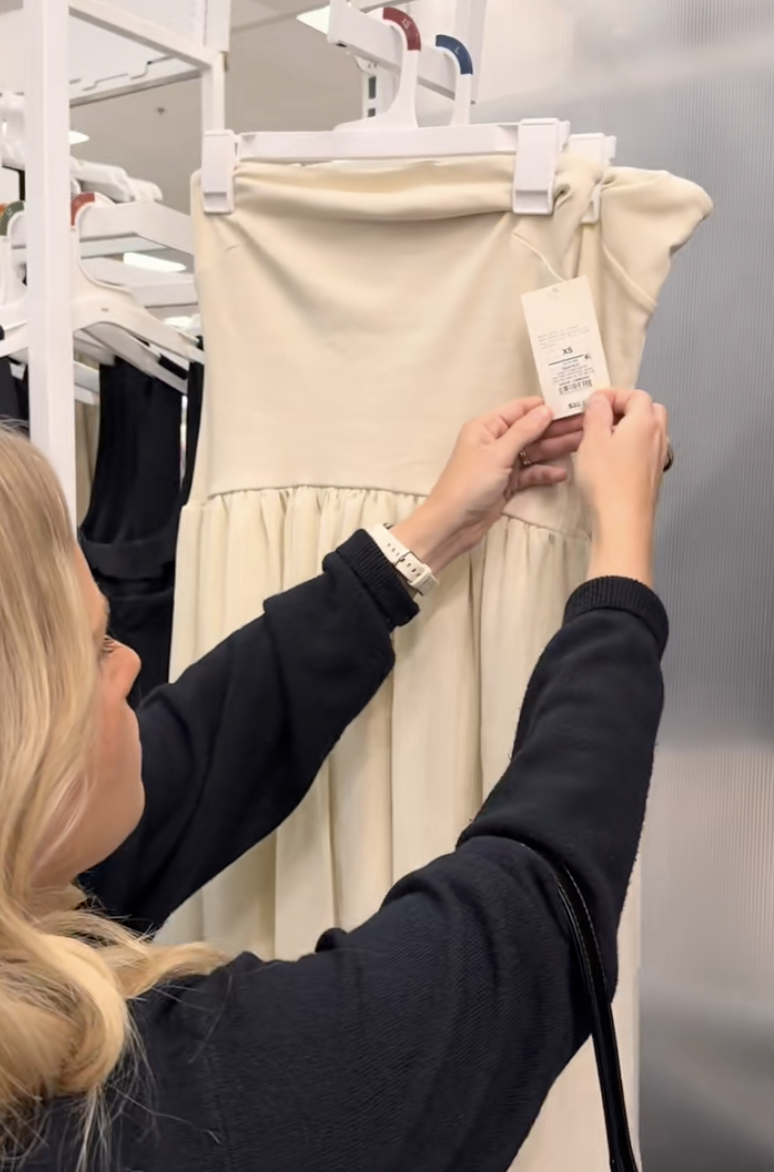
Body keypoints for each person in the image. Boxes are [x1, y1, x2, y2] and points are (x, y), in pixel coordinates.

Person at [0, 388, 669, 1172]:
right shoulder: (169, 1111)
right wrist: (622, 556)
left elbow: (201, 749)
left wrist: (417, 544)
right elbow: (527, 927)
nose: (131, 664)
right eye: (95, 650)